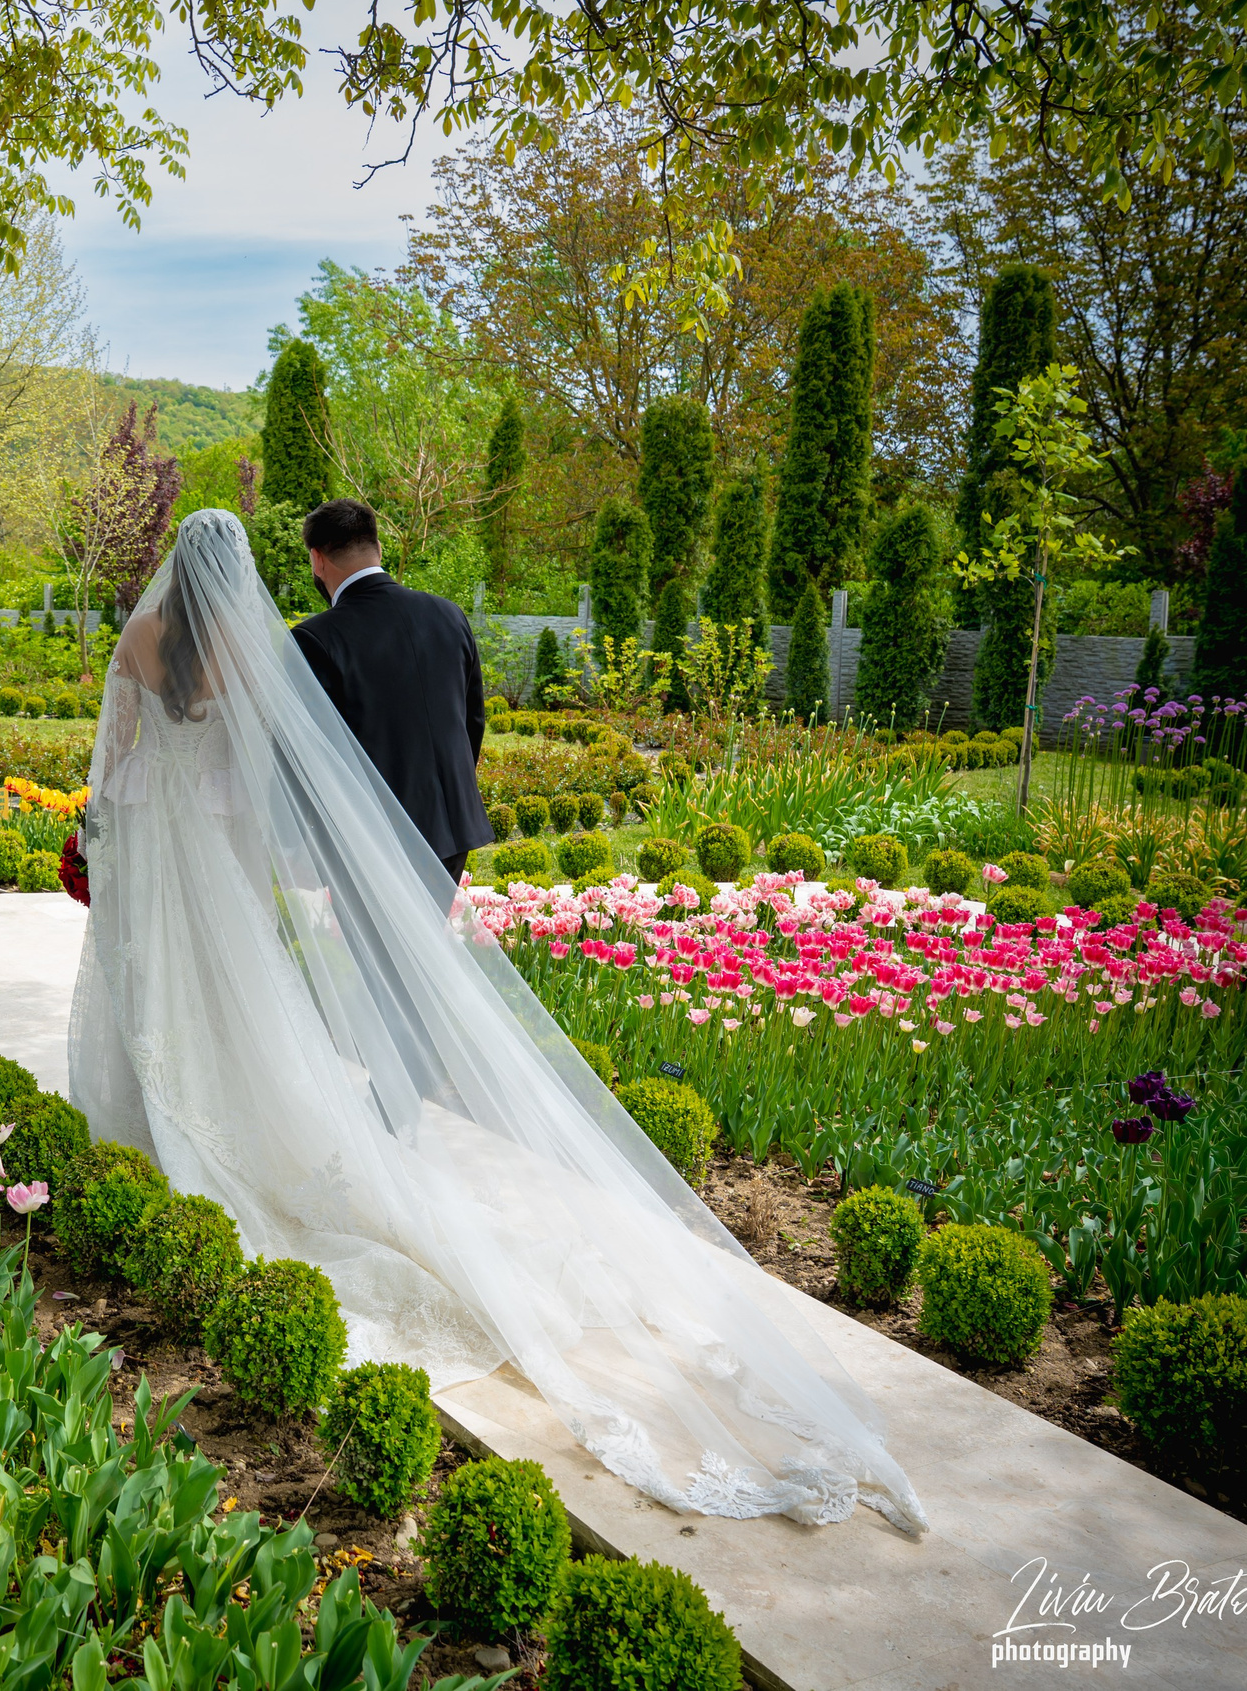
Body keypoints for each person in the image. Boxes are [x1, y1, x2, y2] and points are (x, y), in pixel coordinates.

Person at [68, 508, 926, 1534]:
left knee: (159, 1005)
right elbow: (273, 781)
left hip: (162, 863)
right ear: (249, 570)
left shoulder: (141, 639)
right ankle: (322, 1126)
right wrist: (259, 873)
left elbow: (111, 765)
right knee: (242, 1017)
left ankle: (152, 1145)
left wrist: (99, 837)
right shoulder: (272, 649)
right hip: (262, 854)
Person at [289, 499, 493, 885]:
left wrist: (293, 841)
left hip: (369, 836)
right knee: (426, 942)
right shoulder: (449, 614)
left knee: (371, 947)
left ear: (317, 560)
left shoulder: (314, 638)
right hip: (452, 824)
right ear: (378, 549)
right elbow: (473, 721)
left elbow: (306, 749)